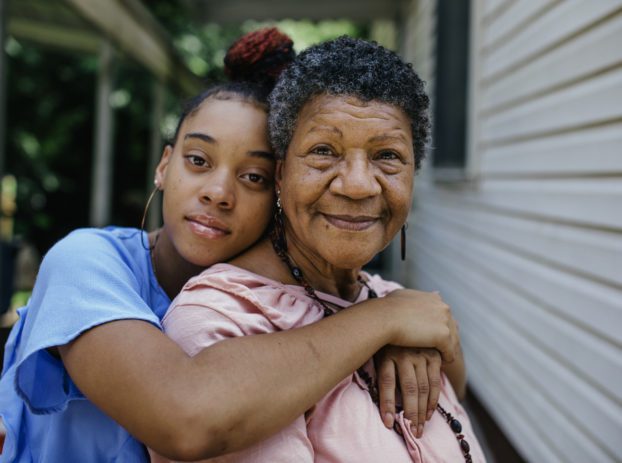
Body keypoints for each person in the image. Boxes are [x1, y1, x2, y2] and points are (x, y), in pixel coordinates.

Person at [0, 30, 461, 462]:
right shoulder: (85, 262)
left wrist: (404, 335)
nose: (218, 192)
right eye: (198, 160)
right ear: (164, 166)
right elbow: (183, 415)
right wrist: (384, 320)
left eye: (253, 176)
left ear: (280, 188)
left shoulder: (300, 299)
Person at [156, 37, 483, 462]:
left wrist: (402, 325)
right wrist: (385, 321)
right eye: (323, 151)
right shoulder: (221, 320)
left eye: (387, 155)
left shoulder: (401, 307)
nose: (358, 185)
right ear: (280, 174)